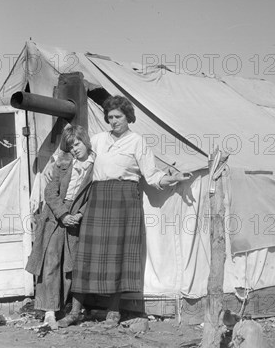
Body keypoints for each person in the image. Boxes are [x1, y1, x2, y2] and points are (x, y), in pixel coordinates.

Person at [60, 96, 191, 327]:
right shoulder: (99, 140)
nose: (113, 121)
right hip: (99, 196)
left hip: (125, 199)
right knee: (87, 254)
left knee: (118, 256)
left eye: (118, 117)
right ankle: (75, 311)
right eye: (110, 117)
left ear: (127, 117)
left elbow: (152, 176)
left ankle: (113, 311)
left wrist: (174, 178)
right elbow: (80, 157)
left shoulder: (137, 142)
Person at [26, 124, 94, 330]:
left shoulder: (97, 166)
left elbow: (95, 196)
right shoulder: (63, 163)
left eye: (78, 143)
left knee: (70, 266)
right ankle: (49, 312)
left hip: (77, 218)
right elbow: (50, 192)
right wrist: (63, 214)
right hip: (56, 216)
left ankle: (64, 307)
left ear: (86, 141)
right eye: (71, 146)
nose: (75, 149)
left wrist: (80, 214)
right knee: (51, 261)